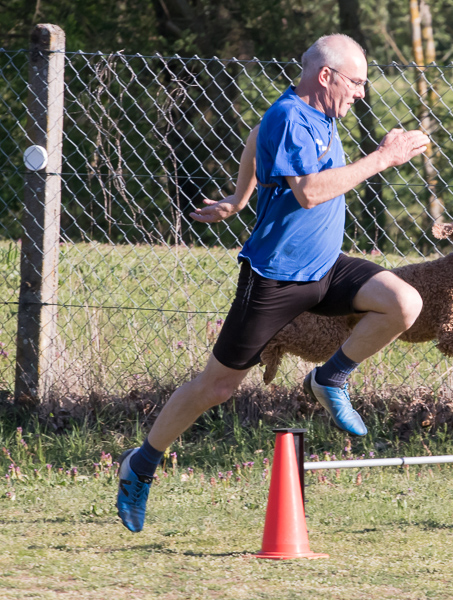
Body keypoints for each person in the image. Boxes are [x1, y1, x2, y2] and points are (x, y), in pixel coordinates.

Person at [116, 34, 429, 533]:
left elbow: (254, 136)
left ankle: (330, 378)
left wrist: (239, 198)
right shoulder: (290, 115)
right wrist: (383, 158)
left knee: (403, 303)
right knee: (217, 386)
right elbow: (309, 192)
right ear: (325, 76)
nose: (361, 93)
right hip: (275, 278)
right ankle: (141, 463)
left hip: (325, 268)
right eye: (356, 82)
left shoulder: (320, 114)